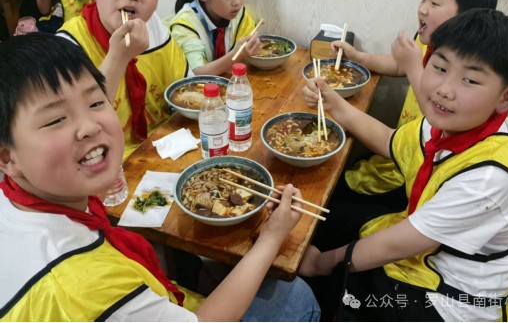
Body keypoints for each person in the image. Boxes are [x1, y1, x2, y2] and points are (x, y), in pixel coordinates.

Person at [0, 33, 320, 321]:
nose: (89, 126)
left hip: (150, 294)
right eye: (55, 119)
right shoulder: (87, 288)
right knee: (296, 298)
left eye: (96, 102)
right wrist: (271, 238)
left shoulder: (19, 198)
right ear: (6, 157)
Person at [301, 8, 508, 321]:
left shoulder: (488, 179)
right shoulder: (450, 123)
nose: (444, 89)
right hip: (428, 251)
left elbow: (394, 246)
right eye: (440, 67)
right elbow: (391, 141)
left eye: (470, 80)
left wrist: (319, 264)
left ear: (506, 97)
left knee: (335, 284)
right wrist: (334, 103)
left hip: (453, 300)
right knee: (324, 222)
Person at [326, 0, 499, 221]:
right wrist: (359, 57)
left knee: (334, 202)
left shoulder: (463, 71)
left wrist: (411, 65)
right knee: (337, 180)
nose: (422, 9)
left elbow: (434, 115)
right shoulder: (428, 42)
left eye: (435, 3)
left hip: (410, 172)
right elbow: (398, 66)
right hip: (396, 147)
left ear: (465, 19)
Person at [57, 0, 193, 160]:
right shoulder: (68, 45)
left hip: (164, 150)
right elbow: (77, 130)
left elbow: (186, 90)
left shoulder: (155, 28)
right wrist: (119, 57)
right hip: (102, 162)